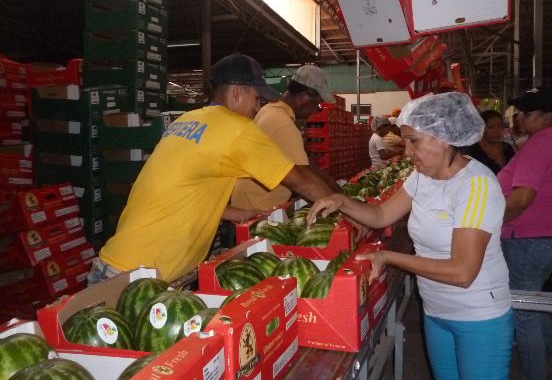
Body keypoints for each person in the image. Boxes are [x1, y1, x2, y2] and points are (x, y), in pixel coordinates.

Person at [308, 92, 513, 379]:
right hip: (435, 311)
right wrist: (341, 201)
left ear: (443, 137)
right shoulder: (421, 177)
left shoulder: (476, 186)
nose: (406, 152)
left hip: (478, 317)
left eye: (413, 140)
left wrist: (389, 257)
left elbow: (463, 272)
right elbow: (380, 216)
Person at [87, 53, 339, 284]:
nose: (257, 106)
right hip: (137, 279)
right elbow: (300, 180)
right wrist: (348, 210)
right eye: (256, 98)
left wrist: (236, 213)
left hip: (118, 264)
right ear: (238, 92)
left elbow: (180, 191)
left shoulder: (187, 120)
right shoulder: (237, 130)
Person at [497, 86, 552, 380]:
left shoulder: (540, 146)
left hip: (529, 240)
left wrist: (487, 227)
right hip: (551, 239)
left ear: (547, 117)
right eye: (518, 111)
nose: (519, 117)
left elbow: (521, 199)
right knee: (534, 306)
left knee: (525, 315)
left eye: (526, 112)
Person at [231, 65, 339, 211]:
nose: (315, 110)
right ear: (302, 97)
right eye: (316, 104)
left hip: (248, 202)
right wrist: (342, 206)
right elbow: (304, 179)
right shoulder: (282, 122)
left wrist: (336, 189)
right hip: (255, 209)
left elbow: (307, 166)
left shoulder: (270, 110)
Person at [463, 110, 515, 174]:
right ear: (482, 129)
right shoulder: (473, 152)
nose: (497, 131)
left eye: (500, 126)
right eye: (491, 127)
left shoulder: (507, 148)